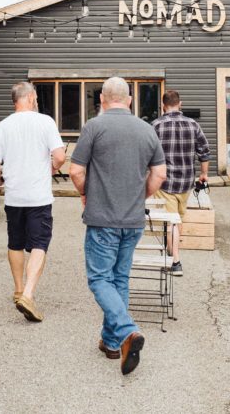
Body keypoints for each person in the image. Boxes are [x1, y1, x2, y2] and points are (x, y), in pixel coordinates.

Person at [69, 77, 166, 376]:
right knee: (119, 278)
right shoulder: (147, 129)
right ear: (130, 100)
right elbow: (159, 174)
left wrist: (88, 193)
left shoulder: (93, 127)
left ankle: (127, 331)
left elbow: (75, 171)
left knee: (99, 279)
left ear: (101, 99)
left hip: (102, 219)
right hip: (133, 219)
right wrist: (139, 196)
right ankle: (112, 343)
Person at [0, 81, 65, 323]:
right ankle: (29, 295)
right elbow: (60, 156)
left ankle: (19, 289)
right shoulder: (46, 122)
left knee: (16, 243)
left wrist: (0, 181)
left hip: (14, 196)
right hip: (38, 196)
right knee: (40, 244)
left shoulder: (1, 127)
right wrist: (52, 167)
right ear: (31, 98)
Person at [152, 90, 211, 276]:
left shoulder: (155, 125)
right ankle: (172, 250)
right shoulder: (193, 125)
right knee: (178, 218)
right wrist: (204, 174)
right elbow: (204, 151)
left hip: (164, 182)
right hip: (186, 182)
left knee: (171, 221)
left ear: (163, 105)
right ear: (180, 104)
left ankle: (175, 261)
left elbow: (147, 153)